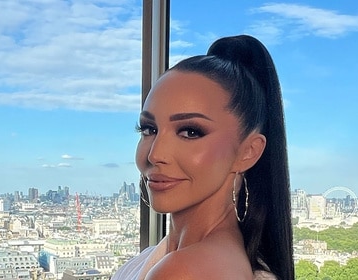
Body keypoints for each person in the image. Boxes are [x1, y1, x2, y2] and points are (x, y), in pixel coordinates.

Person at [111, 35, 294, 280]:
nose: (155, 154)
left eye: (190, 132)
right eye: (148, 129)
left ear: (248, 151)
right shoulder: (203, 258)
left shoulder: (182, 271)